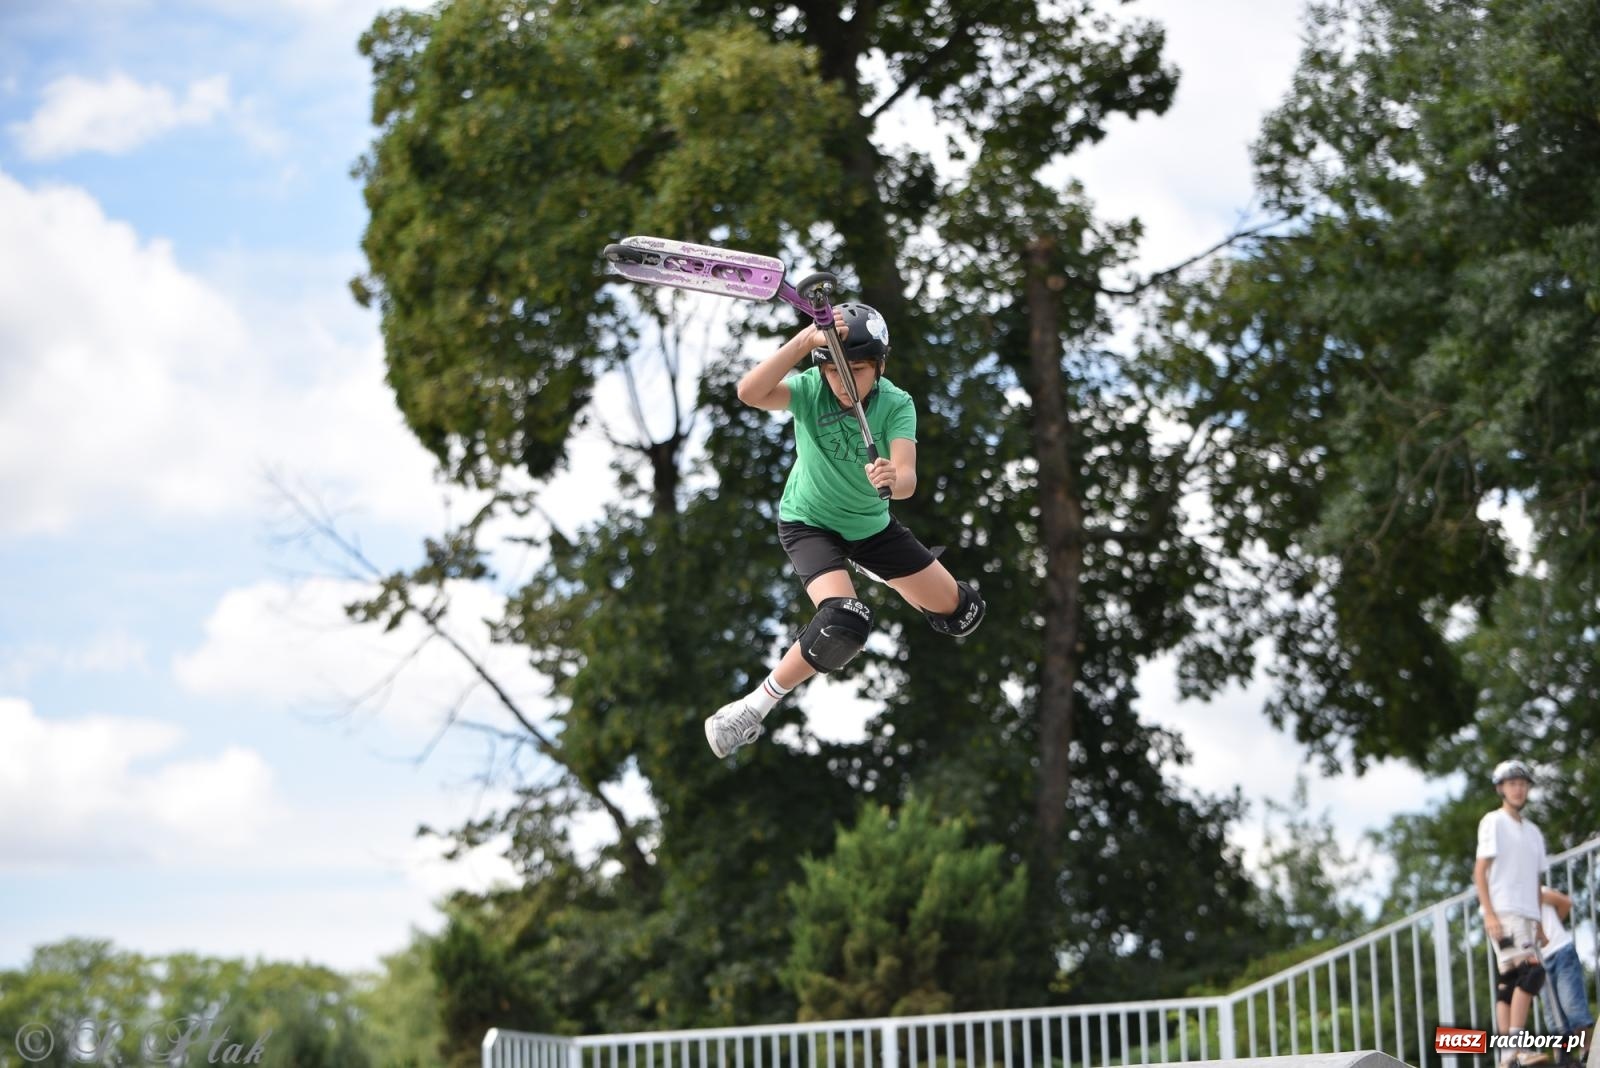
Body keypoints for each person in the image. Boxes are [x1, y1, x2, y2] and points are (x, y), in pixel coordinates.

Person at [703, 302, 985, 758]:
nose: (845, 382)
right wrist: (804, 342)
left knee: (965, 614)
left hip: (872, 530)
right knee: (844, 621)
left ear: (880, 366)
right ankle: (751, 709)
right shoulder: (810, 390)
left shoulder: (896, 404)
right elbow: (749, 393)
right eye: (835, 370)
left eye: (857, 370)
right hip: (809, 524)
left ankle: (888, 575)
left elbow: (908, 478)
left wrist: (896, 477)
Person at [1475, 759, 1550, 1066]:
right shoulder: (1493, 821)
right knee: (1532, 973)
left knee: (1509, 980)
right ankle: (1517, 1046)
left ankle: (1506, 1055)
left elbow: (1536, 879)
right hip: (1504, 912)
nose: (1519, 789)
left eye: (1523, 784)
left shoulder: (1533, 832)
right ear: (1500, 788)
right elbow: (1480, 871)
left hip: (1527, 915)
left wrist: (1540, 923)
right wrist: (1490, 914)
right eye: (1512, 784)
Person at [1538, 885, 1595, 1067]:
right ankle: (1563, 1060)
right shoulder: (1510, 903)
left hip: (1560, 950)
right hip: (1539, 960)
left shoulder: (1538, 890)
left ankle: (1587, 1053)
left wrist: (1552, 928)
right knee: (1552, 1017)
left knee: (1572, 1006)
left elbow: (1566, 903)